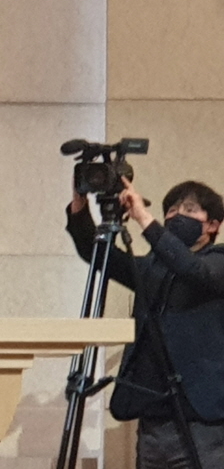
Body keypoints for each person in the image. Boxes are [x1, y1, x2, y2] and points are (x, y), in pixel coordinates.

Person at [66, 178, 224, 468]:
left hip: (202, 421)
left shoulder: (217, 261)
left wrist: (142, 218)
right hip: (153, 419)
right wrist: (80, 203)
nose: (177, 216)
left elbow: (194, 270)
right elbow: (98, 254)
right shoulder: (151, 269)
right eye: (172, 210)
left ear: (212, 225)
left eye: (189, 210)